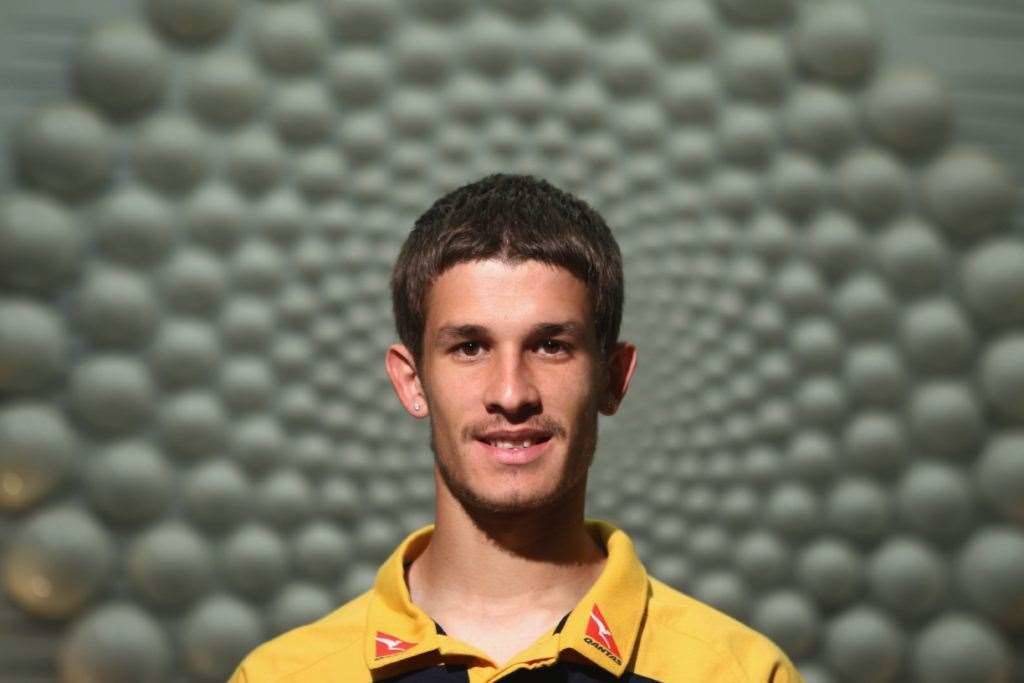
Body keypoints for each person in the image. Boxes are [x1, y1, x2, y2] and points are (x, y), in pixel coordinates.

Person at [230, 174, 802, 682]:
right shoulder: (280, 678)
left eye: (551, 346)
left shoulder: (741, 674)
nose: (511, 394)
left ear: (613, 378)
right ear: (411, 381)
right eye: (470, 347)